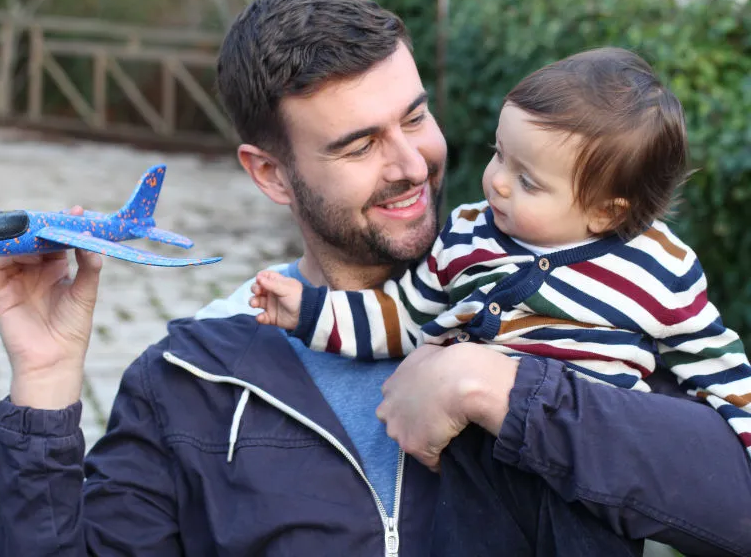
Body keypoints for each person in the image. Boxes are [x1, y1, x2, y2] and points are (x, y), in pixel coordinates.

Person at [0, 0, 751, 557]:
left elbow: (734, 506)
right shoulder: (189, 381)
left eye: (414, 116)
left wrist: (495, 387)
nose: (414, 165)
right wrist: (42, 383)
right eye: (358, 145)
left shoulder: (601, 301)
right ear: (271, 175)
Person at [249, 47, 751, 459]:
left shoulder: (659, 265)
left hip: (586, 468)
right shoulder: (468, 233)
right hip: (475, 471)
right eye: (498, 154)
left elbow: (713, 360)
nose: (498, 183)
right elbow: (403, 314)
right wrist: (309, 311)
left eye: (527, 180)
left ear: (605, 213)